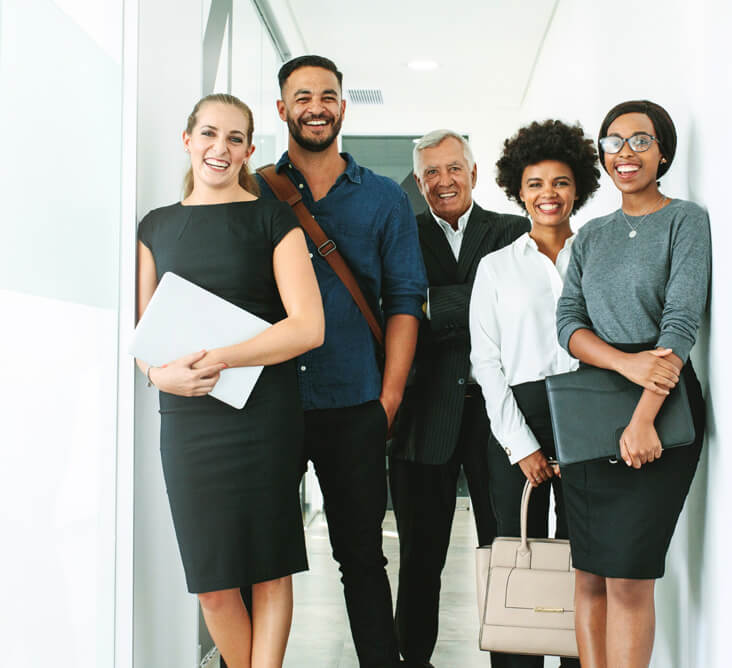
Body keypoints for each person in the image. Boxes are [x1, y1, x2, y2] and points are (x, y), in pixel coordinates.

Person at [136, 93, 324, 668]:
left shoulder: (271, 217)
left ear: (248, 150)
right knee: (213, 583)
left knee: (268, 566)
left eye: (236, 138)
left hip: (262, 413)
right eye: (210, 134)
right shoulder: (156, 227)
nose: (221, 148)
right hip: (189, 421)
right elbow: (145, 336)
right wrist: (158, 376)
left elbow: (308, 327)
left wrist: (225, 357)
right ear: (188, 139)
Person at [254, 55, 427, 668]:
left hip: (355, 400)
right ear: (282, 110)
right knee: (258, 557)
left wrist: (389, 398)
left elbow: (405, 300)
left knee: (361, 556)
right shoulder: (253, 192)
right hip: (268, 401)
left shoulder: (382, 199)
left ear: (343, 107)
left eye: (327, 95)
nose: (316, 107)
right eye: (302, 97)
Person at [556, 100, 710, 668]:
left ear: (663, 151)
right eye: (614, 141)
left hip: (662, 406)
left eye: (640, 141)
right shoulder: (591, 235)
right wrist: (623, 365)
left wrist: (644, 416)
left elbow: (680, 323)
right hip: (592, 405)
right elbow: (568, 323)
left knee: (627, 578)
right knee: (589, 574)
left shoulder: (685, 220)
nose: (626, 153)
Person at [389, 129, 529, 668]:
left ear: (473, 172)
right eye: (430, 173)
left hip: (502, 418)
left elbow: (519, 311)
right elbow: (392, 309)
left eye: (453, 169)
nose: (443, 181)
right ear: (419, 182)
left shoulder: (515, 231)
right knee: (420, 562)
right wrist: (479, 302)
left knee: (507, 555)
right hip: (423, 418)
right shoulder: (402, 234)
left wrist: (431, 306)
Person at [470, 120, 599, 668]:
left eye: (562, 182)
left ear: (579, 189)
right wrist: (519, 444)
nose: (550, 193)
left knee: (586, 554)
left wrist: (591, 432)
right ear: (518, 191)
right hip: (516, 414)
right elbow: (486, 362)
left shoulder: (599, 255)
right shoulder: (496, 267)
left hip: (589, 414)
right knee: (516, 548)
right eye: (536, 182)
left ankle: (577, 657)